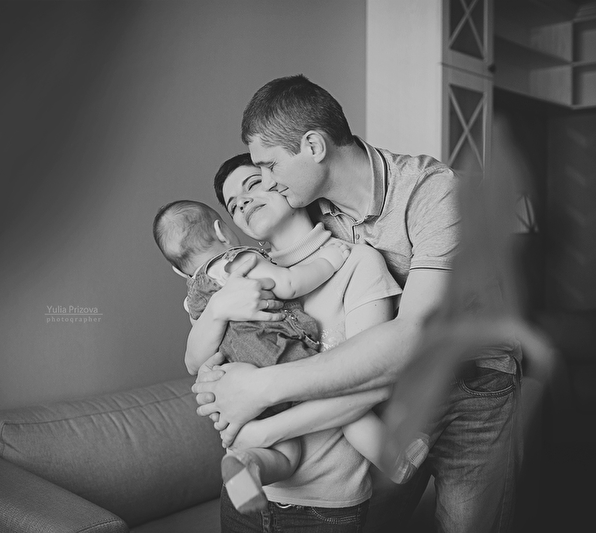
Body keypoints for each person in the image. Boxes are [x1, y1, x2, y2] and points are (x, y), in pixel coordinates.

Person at [192, 75, 523, 533]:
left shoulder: (434, 194)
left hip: (473, 382)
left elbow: (411, 336)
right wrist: (218, 372)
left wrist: (259, 389)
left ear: (313, 146)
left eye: (269, 166)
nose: (266, 182)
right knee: (368, 518)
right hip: (393, 383)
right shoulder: (312, 207)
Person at [153, 166, 425, 525]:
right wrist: (219, 310)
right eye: (233, 205)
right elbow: (195, 362)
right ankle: (396, 460)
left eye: (253, 184)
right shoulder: (244, 268)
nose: (243, 202)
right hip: (248, 506)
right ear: (224, 229)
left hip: (324, 507)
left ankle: (246, 463)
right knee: (327, 426)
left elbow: (371, 384)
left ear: (289, 183)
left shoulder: (358, 261)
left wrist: (259, 427)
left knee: (293, 445)